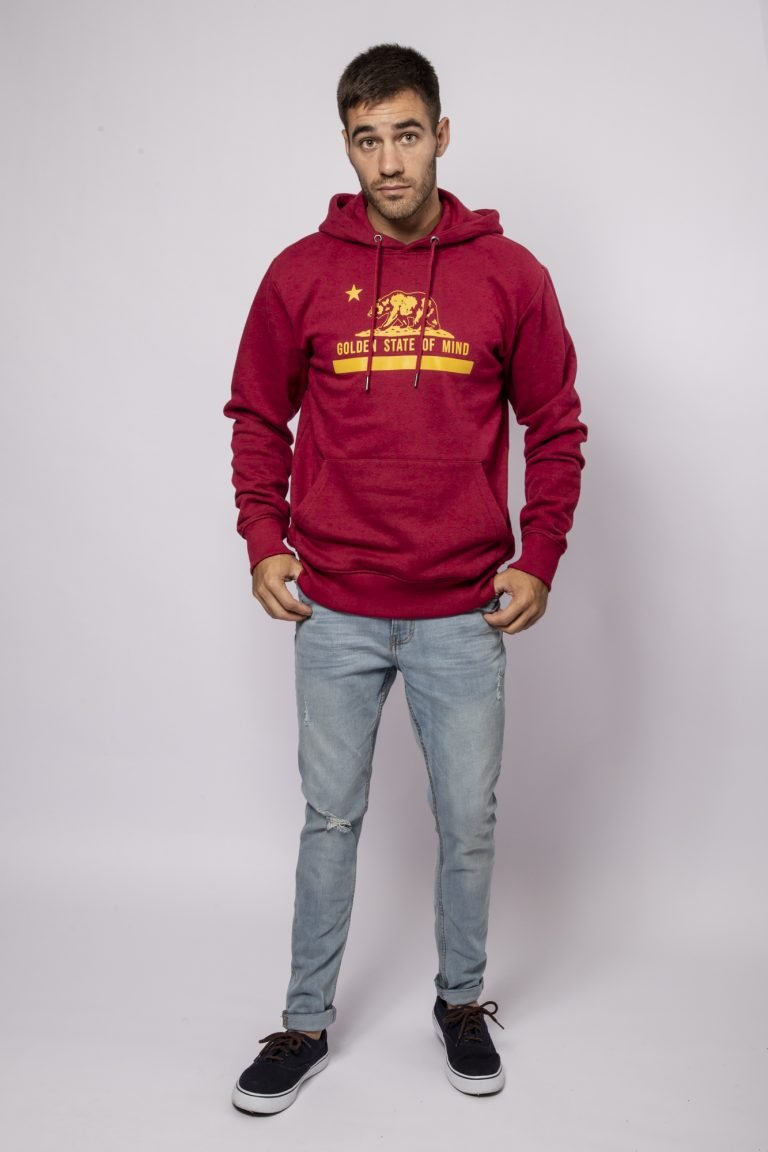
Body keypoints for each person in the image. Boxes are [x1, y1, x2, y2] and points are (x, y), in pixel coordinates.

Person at [224, 43, 587, 1113]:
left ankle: (460, 1003)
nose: (389, 161)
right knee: (329, 820)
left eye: (407, 134)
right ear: (348, 146)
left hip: (462, 610)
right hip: (334, 605)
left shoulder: (509, 276)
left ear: (441, 136)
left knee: (467, 821)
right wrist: (264, 537)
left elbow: (557, 424)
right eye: (367, 139)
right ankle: (303, 1022)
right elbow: (257, 415)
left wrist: (539, 557)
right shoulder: (300, 273)